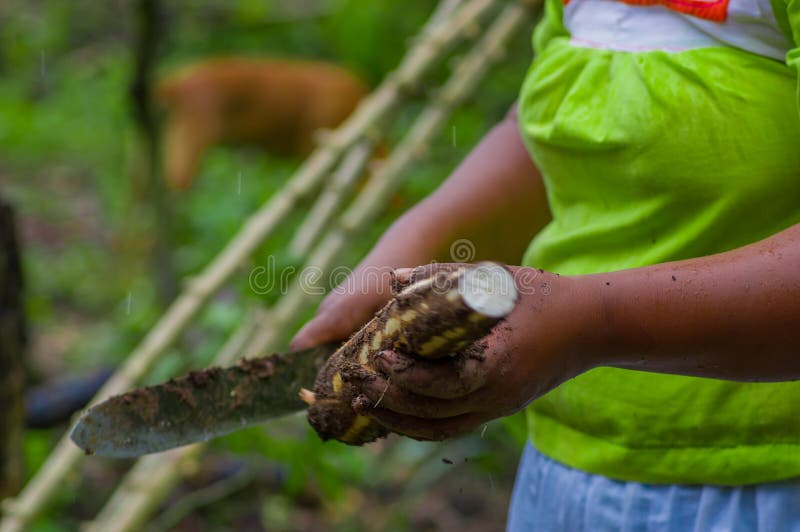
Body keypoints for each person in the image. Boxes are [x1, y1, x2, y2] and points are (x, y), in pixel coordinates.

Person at [291, 0, 800, 528]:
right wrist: (404, 254)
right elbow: (562, 131)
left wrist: (590, 323)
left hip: (768, 490)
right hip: (563, 471)